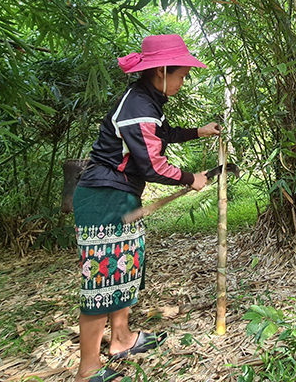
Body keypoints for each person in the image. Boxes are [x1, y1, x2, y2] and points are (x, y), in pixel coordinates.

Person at [72, 34, 220, 382]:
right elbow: (152, 165)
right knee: (101, 277)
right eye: (181, 75)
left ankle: (121, 340)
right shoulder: (138, 107)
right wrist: (190, 178)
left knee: (123, 269)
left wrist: (199, 131)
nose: (183, 82)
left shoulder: (146, 101)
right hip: (102, 198)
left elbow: (161, 134)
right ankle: (87, 369)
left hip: (119, 195)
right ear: (162, 71)